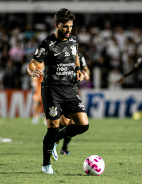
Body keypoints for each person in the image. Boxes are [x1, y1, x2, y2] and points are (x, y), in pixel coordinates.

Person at [27, 8, 89, 174]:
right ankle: (46, 165)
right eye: (65, 27)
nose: (69, 30)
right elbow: (32, 62)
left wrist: (78, 69)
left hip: (69, 88)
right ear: (56, 25)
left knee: (83, 125)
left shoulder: (74, 40)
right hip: (52, 90)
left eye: (70, 26)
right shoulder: (47, 43)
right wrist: (32, 70)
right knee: (53, 127)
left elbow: (75, 55)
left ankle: (53, 141)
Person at [58, 52, 90, 155]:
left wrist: (85, 73)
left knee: (72, 123)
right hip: (61, 91)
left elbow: (86, 70)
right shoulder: (60, 53)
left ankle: (63, 147)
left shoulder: (80, 56)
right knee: (64, 122)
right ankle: (52, 137)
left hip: (73, 92)